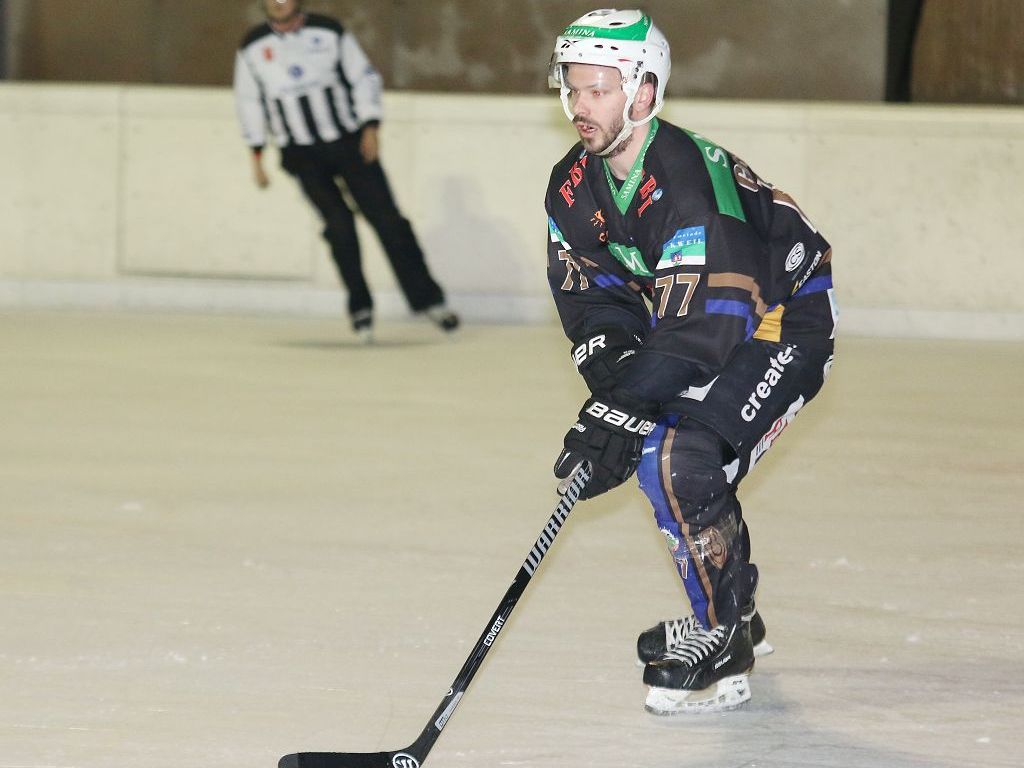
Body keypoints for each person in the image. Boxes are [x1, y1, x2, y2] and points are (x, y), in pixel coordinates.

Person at [545, 10, 836, 714]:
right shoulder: (572, 186)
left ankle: (724, 632)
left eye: (599, 90)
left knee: (679, 457)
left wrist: (626, 410)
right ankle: (735, 606)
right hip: (698, 322)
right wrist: (615, 391)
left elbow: (711, 325)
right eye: (573, 89)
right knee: (656, 439)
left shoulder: (687, 185)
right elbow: (596, 296)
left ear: (643, 94)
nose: (581, 106)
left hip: (780, 320)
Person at [233, 0, 459, 342]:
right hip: (301, 153)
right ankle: (360, 307)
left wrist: (370, 126)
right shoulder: (253, 45)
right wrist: (256, 153)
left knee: (387, 221)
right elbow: (249, 100)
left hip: (349, 143)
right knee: (339, 227)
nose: (278, 3)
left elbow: (362, 76)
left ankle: (429, 300)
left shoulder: (328, 31)